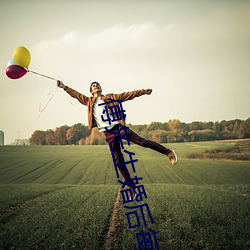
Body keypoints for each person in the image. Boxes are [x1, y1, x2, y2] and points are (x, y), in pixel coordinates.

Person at [57, 80, 177, 198]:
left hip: (119, 128)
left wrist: (143, 91)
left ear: (100, 88)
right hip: (108, 134)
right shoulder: (88, 101)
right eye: (93, 86)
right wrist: (63, 86)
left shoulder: (111, 97)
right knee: (118, 162)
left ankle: (168, 152)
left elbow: (128, 95)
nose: (96, 86)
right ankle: (132, 188)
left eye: (97, 84)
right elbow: (75, 94)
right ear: (91, 91)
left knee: (142, 142)